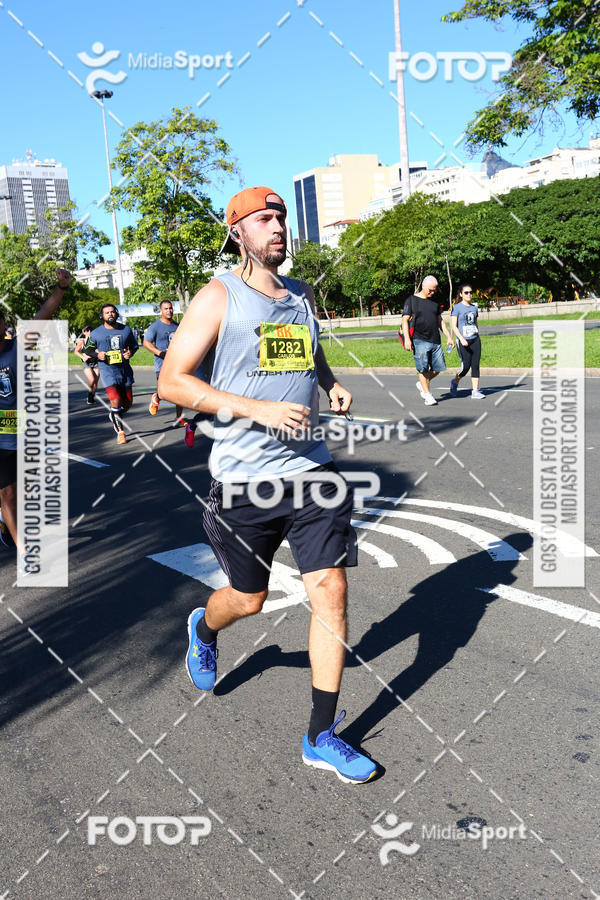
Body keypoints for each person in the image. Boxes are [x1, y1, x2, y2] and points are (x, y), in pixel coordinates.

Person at [159, 186, 377, 784]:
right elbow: (173, 382)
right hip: (243, 480)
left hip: (312, 470)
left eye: (281, 216)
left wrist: (329, 383)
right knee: (248, 599)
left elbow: (306, 354)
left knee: (330, 588)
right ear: (239, 233)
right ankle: (204, 629)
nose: (277, 225)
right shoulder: (216, 297)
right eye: (264, 218)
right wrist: (255, 410)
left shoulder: (302, 294)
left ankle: (320, 735)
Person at [0, 268, 71, 550]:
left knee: (25, 493)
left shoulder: (19, 346)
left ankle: (7, 519)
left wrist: (61, 288)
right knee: (7, 494)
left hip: (24, 434)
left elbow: (44, 315)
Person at [82, 304, 138, 444]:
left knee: (128, 403)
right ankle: (120, 432)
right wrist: (97, 354)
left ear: (116, 314)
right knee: (115, 400)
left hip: (125, 371)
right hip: (108, 371)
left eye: (112, 312)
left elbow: (134, 346)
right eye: (107, 313)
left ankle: (114, 414)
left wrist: (130, 353)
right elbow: (87, 350)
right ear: (102, 316)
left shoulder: (125, 330)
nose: (110, 314)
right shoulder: (96, 333)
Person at [401, 275, 454, 406]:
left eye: (434, 290)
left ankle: (422, 384)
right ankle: (427, 395)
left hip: (435, 339)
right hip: (419, 340)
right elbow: (404, 320)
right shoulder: (412, 300)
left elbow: (440, 321)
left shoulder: (434, 302)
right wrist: (407, 339)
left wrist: (448, 336)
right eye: (430, 290)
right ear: (423, 286)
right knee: (423, 369)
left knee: (438, 368)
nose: (432, 292)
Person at [143, 300, 185, 425]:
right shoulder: (155, 326)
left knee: (180, 392)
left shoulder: (177, 326)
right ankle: (157, 397)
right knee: (166, 392)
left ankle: (179, 417)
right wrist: (159, 353)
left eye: (170, 308)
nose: (169, 311)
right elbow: (146, 343)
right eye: (166, 309)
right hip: (162, 365)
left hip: (177, 364)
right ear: (161, 311)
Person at [449, 284, 484, 399]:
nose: (469, 294)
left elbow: (475, 323)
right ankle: (455, 382)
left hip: (475, 340)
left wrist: (477, 334)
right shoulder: (457, 307)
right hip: (463, 341)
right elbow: (453, 326)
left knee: (475, 365)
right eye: (466, 292)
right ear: (461, 294)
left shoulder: (474, 307)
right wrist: (462, 339)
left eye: (471, 292)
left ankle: (475, 391)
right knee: (465, 367)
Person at [74, 326, 100, 404]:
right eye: (86, 330)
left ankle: (91, 396)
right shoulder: (82, 341)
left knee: (95, 382)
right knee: (91, 380)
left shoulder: (95, 341)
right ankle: (89, 394)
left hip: (96, 362)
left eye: (90, 330)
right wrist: (83, 357)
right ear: (84, 332)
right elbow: (76, 351)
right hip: (87, 363)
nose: (88, 332)